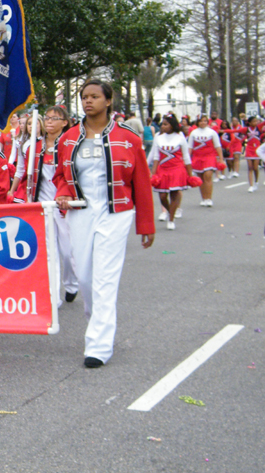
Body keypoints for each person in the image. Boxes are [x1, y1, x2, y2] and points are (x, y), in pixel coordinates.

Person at [55, 80, 155, 368]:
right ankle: (97, 319)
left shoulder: (129, 138)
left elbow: (141, 183)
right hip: (81, 211)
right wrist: (62, 193)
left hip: (116, 213)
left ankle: (99, 345)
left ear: (108, 101)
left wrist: (146, 224)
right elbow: (61, 176)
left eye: (95, 96)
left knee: (105, 280)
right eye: (84, 97)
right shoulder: (68, 138)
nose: (88, 102)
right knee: (84, 276)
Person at [12, 106, 79, 304]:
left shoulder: (70, 145)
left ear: (65, 122)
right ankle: (53, 295)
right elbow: (23, 172)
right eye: (47, 118)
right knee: (48, 252)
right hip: (42, 204)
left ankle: (71, 283)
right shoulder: (32, 146)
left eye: (54, 118)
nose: (49, 121)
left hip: (64, 204)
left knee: (68, 252)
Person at [151, 115, 192, 230]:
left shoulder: (180, 137)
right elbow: (156, 157)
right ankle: (171, 211)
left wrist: (190, 175)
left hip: (177, 169)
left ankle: (171, 219)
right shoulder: (158, 138)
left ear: (172, 125)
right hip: (162, 169)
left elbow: (186, 156)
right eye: (162, 124)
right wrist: (153, 175)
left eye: (165, 124)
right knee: (162, 196)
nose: (162, 126)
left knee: (174, 193)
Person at [188, 114, 223, 207]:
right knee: (201, 178)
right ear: (198, 122)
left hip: (209, 157)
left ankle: (209, 198)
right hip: (197, 157)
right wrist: (187, 160)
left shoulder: (212, 132)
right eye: (201, 121)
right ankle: (203, 198)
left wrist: (221, 159)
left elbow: (218, 146)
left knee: (208, 176)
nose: (203, 123)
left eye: (205, 121)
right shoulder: (194, 133)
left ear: (207, 122)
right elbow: (190, 148)